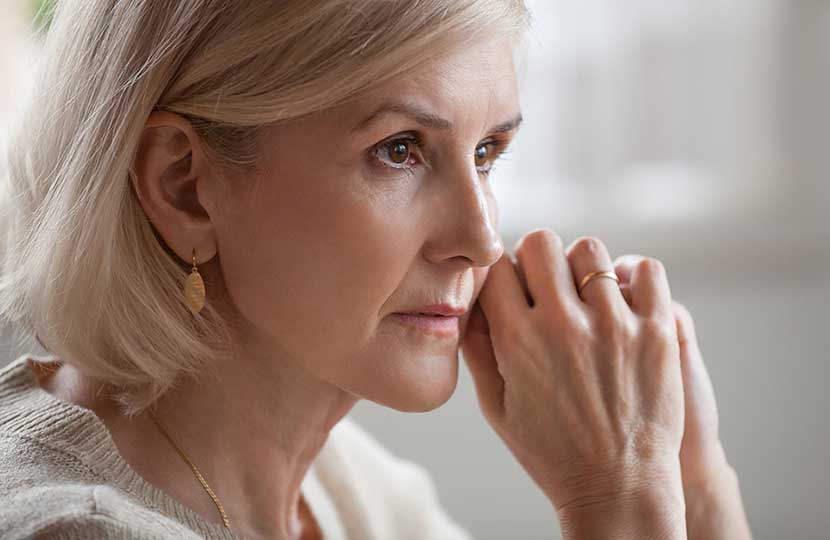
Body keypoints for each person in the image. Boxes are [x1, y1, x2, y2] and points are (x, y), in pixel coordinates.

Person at [0, 1, 752, 539]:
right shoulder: (75, 530)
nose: (482, 239)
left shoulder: (336, 482)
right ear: (184, 187)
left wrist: (693, 484)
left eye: (487, 152)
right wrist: (613, 497)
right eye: (400, 150)